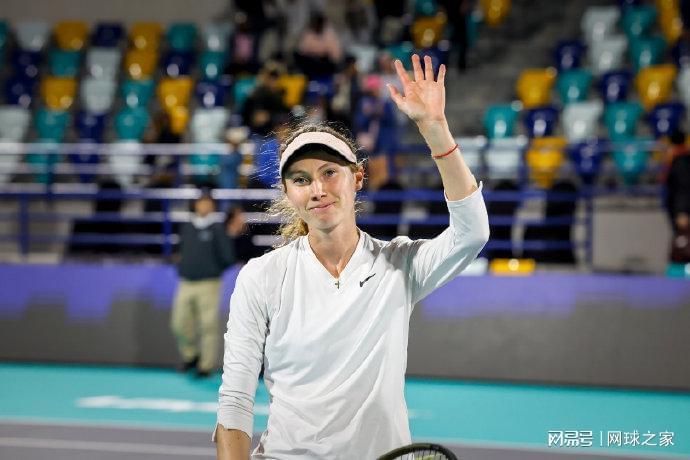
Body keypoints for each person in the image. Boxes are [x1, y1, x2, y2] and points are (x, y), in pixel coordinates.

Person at [213, 55, 489, 458]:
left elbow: (472, 233)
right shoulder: (261, 276)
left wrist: (436, 130)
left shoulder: (399, 264)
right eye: (301, 179)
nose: (318, 190)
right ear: (288, 193)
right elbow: (236, 400)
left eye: (330, 172)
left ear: (358, 177)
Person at [171, 193, 236, 378]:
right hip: (186, 282)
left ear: (213, 206)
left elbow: (228, 257)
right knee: (179, 323)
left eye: (208, 203)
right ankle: (190, 356)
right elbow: (179, 250)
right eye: (201, 202)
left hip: (209, 283)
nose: (204, 206)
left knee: (208, 325)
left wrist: (212, 270)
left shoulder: (217, 228)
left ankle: (205, 365)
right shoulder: (187, 227)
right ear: (195, 205)